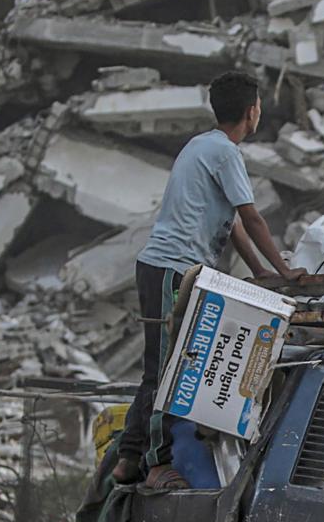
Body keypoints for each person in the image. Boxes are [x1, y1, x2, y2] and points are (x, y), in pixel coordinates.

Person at [113, 71, 303, 486]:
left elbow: (233, 224)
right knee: (165, 372)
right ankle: (150, 462)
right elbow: (252, 218)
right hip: (171, 269)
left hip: (172, 269)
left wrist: (260, 272)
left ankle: (132, 458)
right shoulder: (224, 153)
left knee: (168, 368)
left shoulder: (204, 146)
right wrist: (286, 271)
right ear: (252, 112)